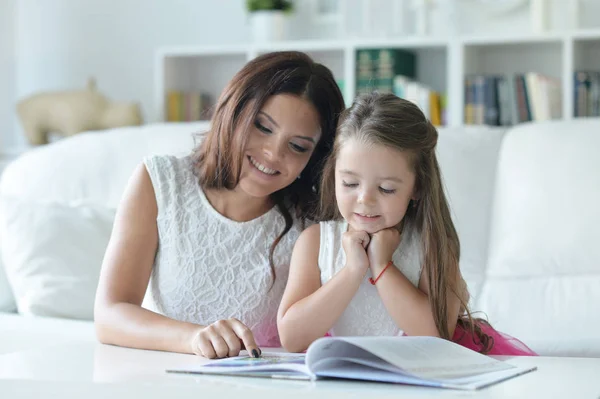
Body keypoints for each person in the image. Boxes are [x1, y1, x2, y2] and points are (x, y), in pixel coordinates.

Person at [94, 51, 345, 359]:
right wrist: (194, 339)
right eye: (262, 127)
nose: (272, 153)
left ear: (315, 158)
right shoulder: (159, 182)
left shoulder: (314, 225)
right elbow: (110, 314)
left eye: (297, 146)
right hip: (163, 381)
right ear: (233, 112)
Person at [277, 92, 537, 356]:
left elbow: (437, 336)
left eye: (386, 188)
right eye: (350, 183)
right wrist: (353, 270)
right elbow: (292, 337)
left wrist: (382, 266)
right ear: (334, 175)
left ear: (417, 187)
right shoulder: (316, 242)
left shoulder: (430, 245)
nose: (365, 200)